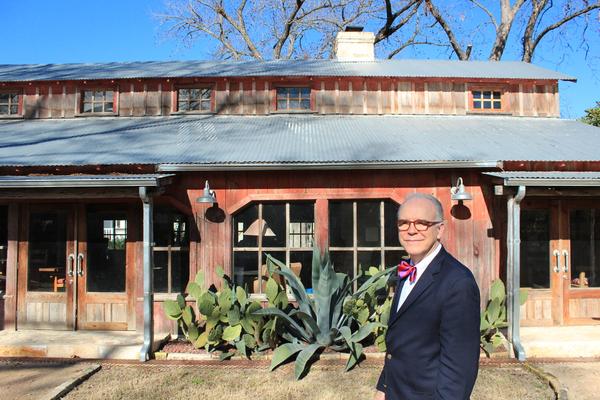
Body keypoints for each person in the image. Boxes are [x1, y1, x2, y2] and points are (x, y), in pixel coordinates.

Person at [375, 193, 480, 400]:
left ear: (439, 229)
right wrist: (383, 387)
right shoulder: (405, 272)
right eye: (404, 223)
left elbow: (460, 370)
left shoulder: (458, 283)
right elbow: (400, 344)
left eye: (422, 223)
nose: (411, 230)